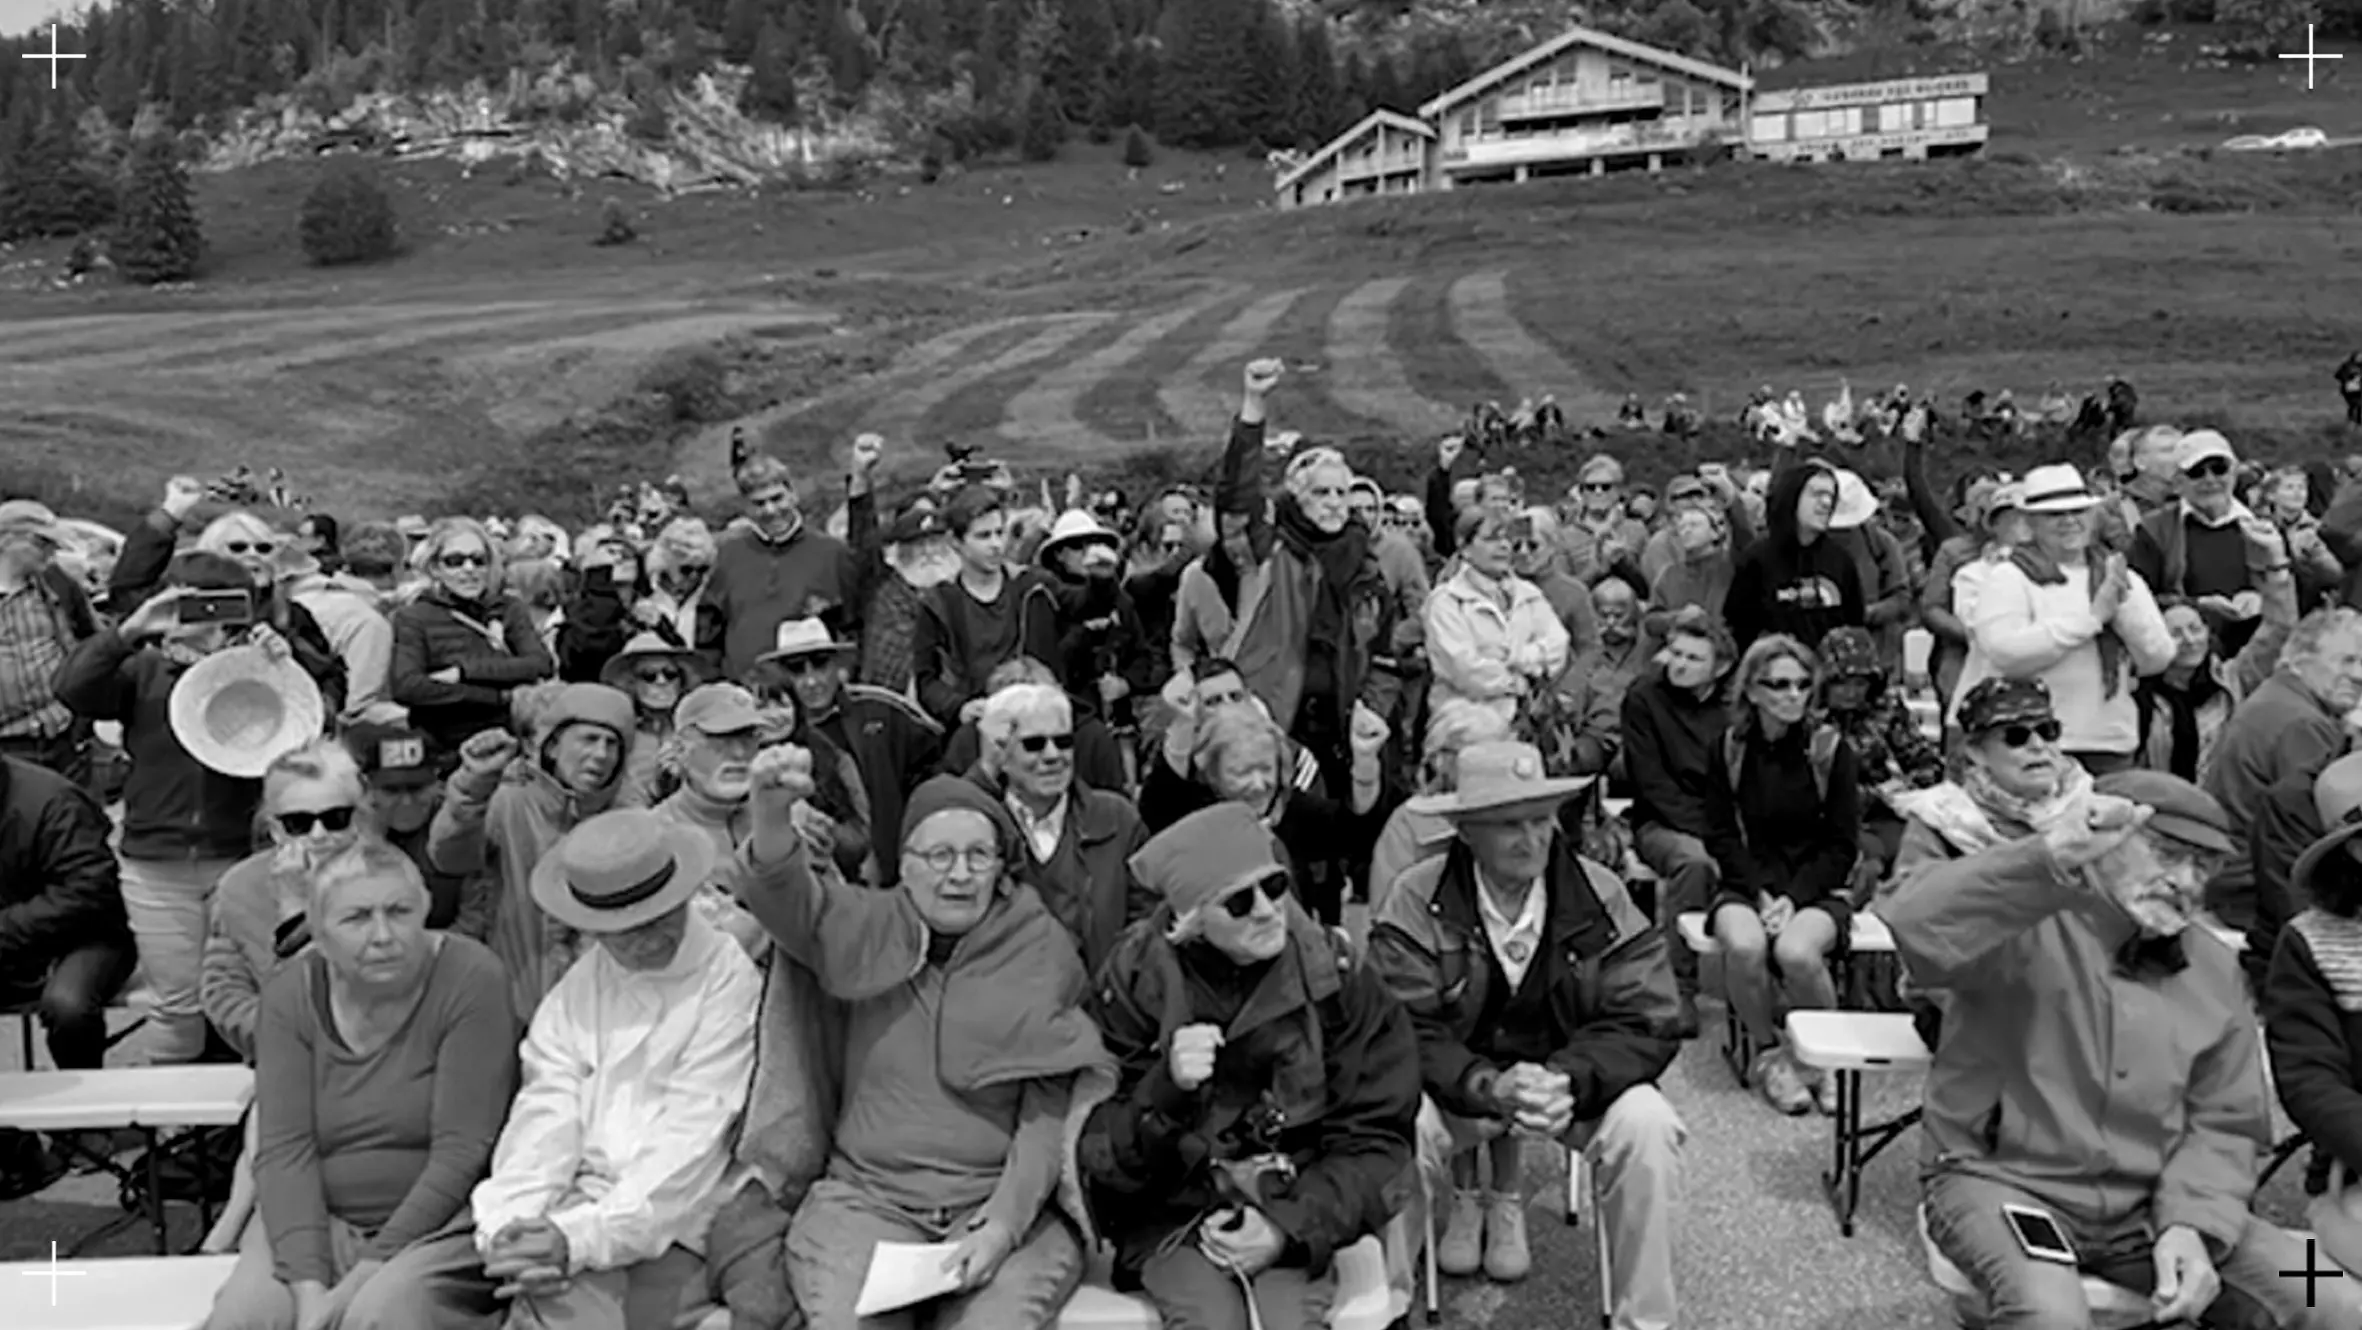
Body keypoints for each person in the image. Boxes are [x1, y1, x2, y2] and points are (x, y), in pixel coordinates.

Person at [1888, 769, 2362, 1330]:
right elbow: (1915, 923)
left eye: (2203, 865)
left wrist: (2192, 1223)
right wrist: (2048, 856)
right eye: (2166, 853)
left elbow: (2227, 1122)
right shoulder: (2020, 921)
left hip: (2154, 1199)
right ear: (2104, 844)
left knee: (2335, 1299)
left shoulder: (2213, 967)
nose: (2184, 880)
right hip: (1999, 1181)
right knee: (2049, 1314)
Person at [732, 766, 1116, 1330]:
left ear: (1001, 867)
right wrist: (769, 816)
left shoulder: (1040, 949)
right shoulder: (863, 927)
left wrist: (1001, 1227)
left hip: (1001, 1204)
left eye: (978, 856)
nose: (959, 874)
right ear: (905, 866)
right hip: (864, 1202)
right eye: (939, 856)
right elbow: (783, 901)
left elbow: (1046, 1116)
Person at [1368, 741, 1682, 1324]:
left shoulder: (1601, 892)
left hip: (1570, 1088)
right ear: (1465, 831)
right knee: (1392, 1128)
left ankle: (1646, 1322)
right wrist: (1483, 1085)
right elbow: (1399, 1026)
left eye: (1541, 819)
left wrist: (1568, 1079)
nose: (1532, 838)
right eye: (1509, 824)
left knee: (1649, 1125)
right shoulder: (1414, 895)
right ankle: (1381, 1312)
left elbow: (1650, 1016)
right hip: (1460, 1091)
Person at [1082, 803, 1419, 1330]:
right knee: (1209, 1321)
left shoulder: (1336, 975)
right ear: (1192, 920)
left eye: (1275, 886)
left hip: (1303, 1197)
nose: (1266, 910)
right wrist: (1164, 1089)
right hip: (1173, 1212)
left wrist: (1286, 1228)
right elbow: (1099, 1152)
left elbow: (1378, 1136)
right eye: (1238, 901)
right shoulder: (1134, 980)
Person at [202, 840, 515, 1330]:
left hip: (441, 1224)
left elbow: (462, 1152)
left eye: (400, 912)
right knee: (245, 1319)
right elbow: (284, 1151)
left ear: (425, 911)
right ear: (320, 932)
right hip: (317, 1218)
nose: (384, 935)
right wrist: (309, 1293)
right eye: (358, 918)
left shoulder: (472, 977)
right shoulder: (289, 994)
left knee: (376, 1316)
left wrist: (353, 1286)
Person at [471, 808, 761, 1330]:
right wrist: (511, 1228)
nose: (649, 940)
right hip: (577, 1206)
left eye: (661, 919)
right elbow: (543, 1118)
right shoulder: (576, 993)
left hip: (684, 1214)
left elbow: (692, 1142)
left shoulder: (726, 977)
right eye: (625, 932)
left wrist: (579, 1239)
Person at [55, 553, 309, 1064]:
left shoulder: (261, 669)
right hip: (156, 866)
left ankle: (254, 1101)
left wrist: (287, 667)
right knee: (177, 1007)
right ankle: (175, 1112)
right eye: (191, 604)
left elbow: (308, 730)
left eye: (221, 605)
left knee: (254, 992)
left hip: (240, 856)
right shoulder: (143, 671)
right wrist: (128, 631)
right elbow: (72, 689)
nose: (204, 619)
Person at [1701, 634, 1861, 1116]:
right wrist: (1761, 893)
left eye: (1802, 684)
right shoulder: (1727, 750)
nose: (1794, 695)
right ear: (1752, 691)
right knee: (1744, 945)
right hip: (1747, 881)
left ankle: (1827, 1059)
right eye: (1779, 685)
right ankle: (1770, 1052)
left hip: (1815, 883)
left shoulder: (1831, 750)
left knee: (1796, 950)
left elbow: (1842, 845)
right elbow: (1720, 835)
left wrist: (1792, 897)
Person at [428, 683, 640, 1019]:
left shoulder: (632, 820)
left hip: (603, 1010)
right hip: (511, 1001)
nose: (601, 754)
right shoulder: (509, 800)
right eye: (589, 739)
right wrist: (471, 788)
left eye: (612, 744)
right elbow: (449, 857)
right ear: (552, 747)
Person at [1952, 464, 2175, 776]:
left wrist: (2123, 611)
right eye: (2054, 514)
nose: (2069, 521)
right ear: (2030, 522)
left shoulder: (2120, 575)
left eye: (2078, 511)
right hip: (2027, 743)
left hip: (2108, 741)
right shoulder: (2006, 577)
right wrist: (2092, 619)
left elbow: (2158, 657)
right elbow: (2006, 653)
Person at [201, 742, 379, 1062]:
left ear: (357, 819)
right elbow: (225, 990)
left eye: (335, 818)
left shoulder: (388, 881)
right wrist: (279, 1037)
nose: (319, 835)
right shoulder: (239, 886)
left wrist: (296, 915)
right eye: (299, 823)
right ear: (275, 830)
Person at [959, 681, 1150, 973]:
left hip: (1103, 995)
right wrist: (984, 772)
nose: (1052, 755)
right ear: (1001, 754)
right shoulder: (977, 824)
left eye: (1063, 742)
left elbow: (1146, 921)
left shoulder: (1117, 818)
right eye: (1034, 744)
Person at [2203, 606, 2362, 940]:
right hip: (2252, 896)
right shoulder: (2303, 723)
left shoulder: (2276, 697)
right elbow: (2322, 835)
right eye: (2347, 660)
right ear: (2300, 659)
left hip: (2232, 880)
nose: (2359, 675)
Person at [1621, 606, 1737, 1038]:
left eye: (1693, 658)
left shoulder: (1735, 708)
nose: (1680, 665)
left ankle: (1770, 981)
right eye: (1676, 654)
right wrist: (1713, 837)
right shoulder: (1643, 698)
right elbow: (1651, 783)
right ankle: (1677, 989)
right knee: (1695, 863)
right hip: (1661, 821)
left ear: (1720, 668)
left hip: (1724, 821)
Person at [2134, 518, 2297, 780]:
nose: (2189, 640)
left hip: (2222, 797)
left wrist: (2275, 566)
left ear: (2208, 633)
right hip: (2163, 798)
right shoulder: (2138, 697)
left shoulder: (2231, 679)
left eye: (2195, 628)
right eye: (2175, 633)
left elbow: (2279, 627)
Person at [390, 518, 555, 766]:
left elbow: (539, 664)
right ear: (435, 568)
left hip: (510, 745)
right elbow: (408, 686)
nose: (469, 569)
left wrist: (463, 672)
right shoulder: (413, 617)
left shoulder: (509, 609)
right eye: (455, 561)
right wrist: (497, 697)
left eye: (478, 560)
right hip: (444, 747)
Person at [706, 453, 864, 680]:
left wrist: (844, 673)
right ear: (745, 506)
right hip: (742, 689)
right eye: (759, 503)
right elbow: (709, 631)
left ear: (793, 494)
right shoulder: (725, 555)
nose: (770, 510)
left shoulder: (833, 552)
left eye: (777, 498)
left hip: (812, 687)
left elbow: (853, 625)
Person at [1425, 507, 1571, 749]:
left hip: (1529, 713)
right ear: (1465, 547)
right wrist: (1519, 681)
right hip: (1463, 716)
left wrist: (1517, 659)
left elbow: (1557, 645)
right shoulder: (1446, 602)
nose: (1503, 546)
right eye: (1492, 539)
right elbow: (1464, 669)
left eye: (1507, 538)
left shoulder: (1530, 594)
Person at [2129, 431, 2263, 652]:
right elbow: (2138, 600)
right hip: (2187, 652)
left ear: (2234, 473)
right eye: (2196, 472)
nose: (2210, 479)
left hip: (2257, 650)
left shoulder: (2262, 526)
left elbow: (2292, 592)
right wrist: (2196, 605)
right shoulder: (2154, 529)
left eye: (2219, 468)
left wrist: (2262, 598)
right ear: (2178, 482)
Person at [0, 499, 100, 783]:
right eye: (41, 542)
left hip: (63, 739)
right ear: (6, 540)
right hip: (7, 748)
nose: (52, 551)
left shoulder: (58, 584)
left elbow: (93, 643)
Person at [1721, 462, 1866, 653]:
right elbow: (1738, 625)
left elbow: (1855, 624)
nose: (1826, 502)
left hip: (1827, 666)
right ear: (1792, 496)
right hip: (1772, 665)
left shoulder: (1841, 560)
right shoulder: (1757, 558)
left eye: (1831, 496)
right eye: (1817, 494)